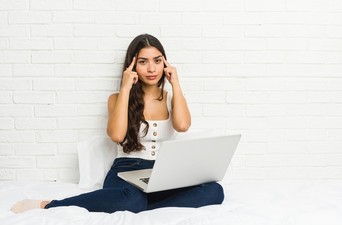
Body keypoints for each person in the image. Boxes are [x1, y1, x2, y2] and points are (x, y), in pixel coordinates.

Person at [11, 34, 224, 214]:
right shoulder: (117, 98)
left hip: (163, 173)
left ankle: (142, 206)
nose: (151, 68)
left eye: (157, 61)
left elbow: (183, 125)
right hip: (126, 172)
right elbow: (116, 135)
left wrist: (176, 83)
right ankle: (49, 205)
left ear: (165, 63)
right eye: (143, 62)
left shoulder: (172, 97)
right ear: (132, 65)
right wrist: (125, 89)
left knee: (215, 191)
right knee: (131, 199)